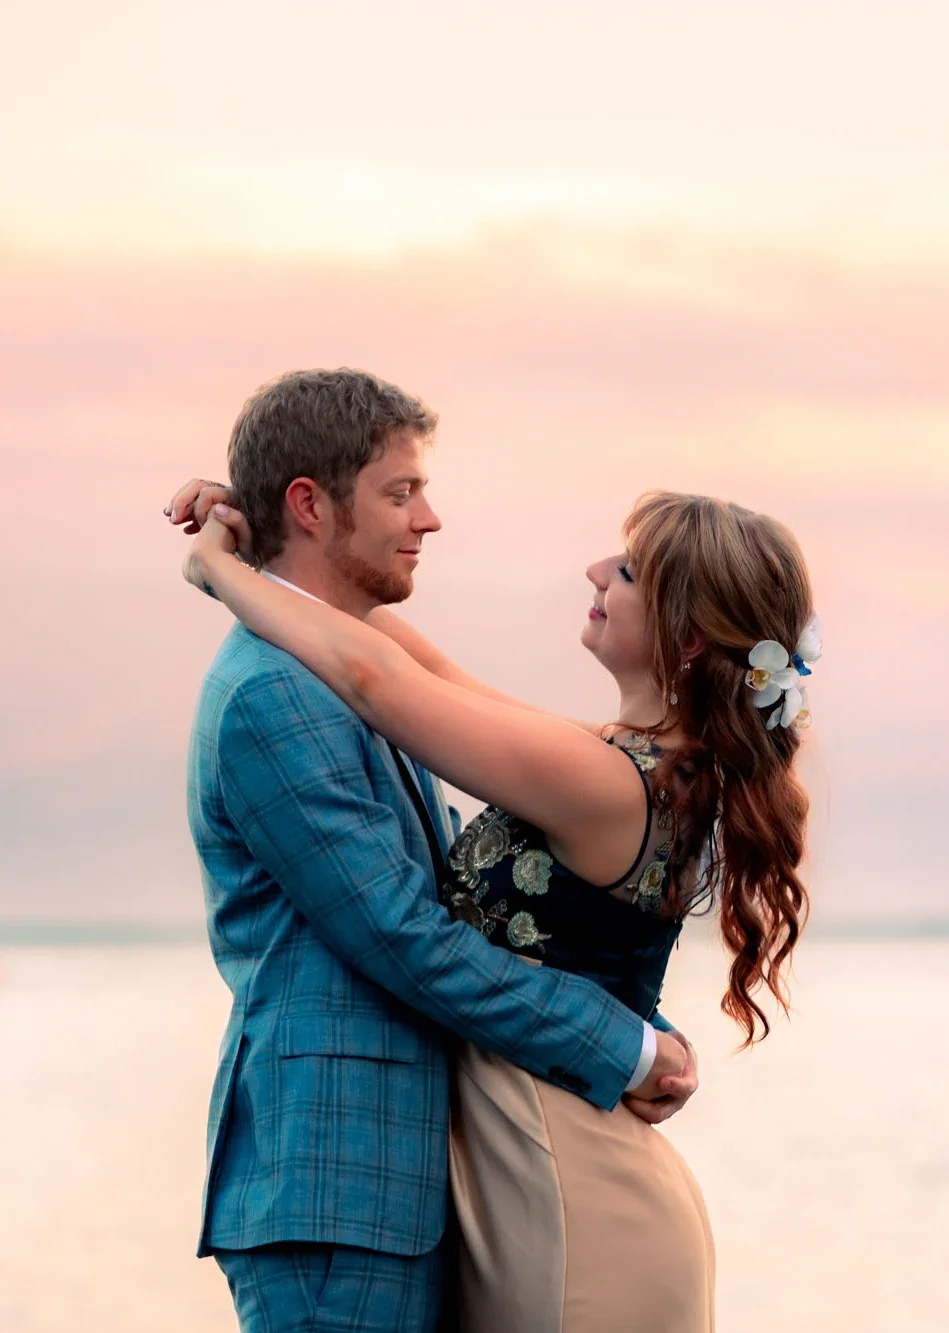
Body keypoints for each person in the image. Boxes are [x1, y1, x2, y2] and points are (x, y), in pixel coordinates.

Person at [168, 369, 700, 1333]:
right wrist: (619, 1045)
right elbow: (405, 935)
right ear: (311, 507)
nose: (430, 518)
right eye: (400, 491)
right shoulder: (273, 697)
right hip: (338, 1185)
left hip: (418, 1180)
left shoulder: (350, 669)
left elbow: (481, 904)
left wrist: (240, 566)